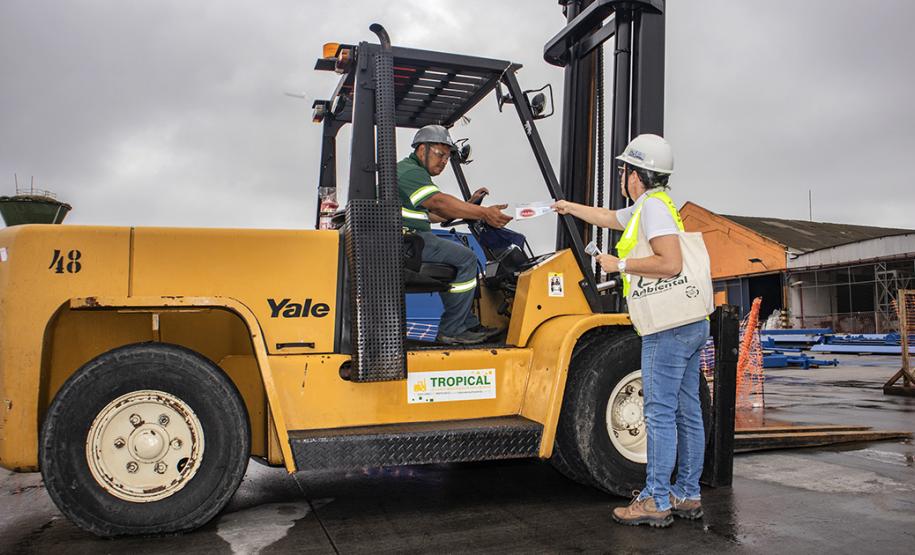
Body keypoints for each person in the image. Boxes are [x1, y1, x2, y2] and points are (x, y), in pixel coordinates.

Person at [552, 134, 709, 528]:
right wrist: (569, 207)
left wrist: (618, 265)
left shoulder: (652, 211)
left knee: (658, 413)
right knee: (687, 411)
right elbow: (610, 217)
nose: (622, 175)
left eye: (624, 169)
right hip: (691, 321)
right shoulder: (652, 206)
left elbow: (670, 263)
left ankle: (657, 499)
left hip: (668, 326)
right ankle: (687, 493)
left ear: (637, 174)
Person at [398, 124, 513, 345]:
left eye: (447, 157)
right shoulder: (410, 172)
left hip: (411, 238)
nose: (443, 162)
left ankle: (466, 323)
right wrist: (484, 213)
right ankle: (452, 329)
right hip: (408, 242)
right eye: (440, 154)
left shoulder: (414, 174)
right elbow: (439, 202)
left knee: (461, 259)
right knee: (467, 258)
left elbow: (433, 215)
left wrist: (469, 207)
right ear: (422, 150)